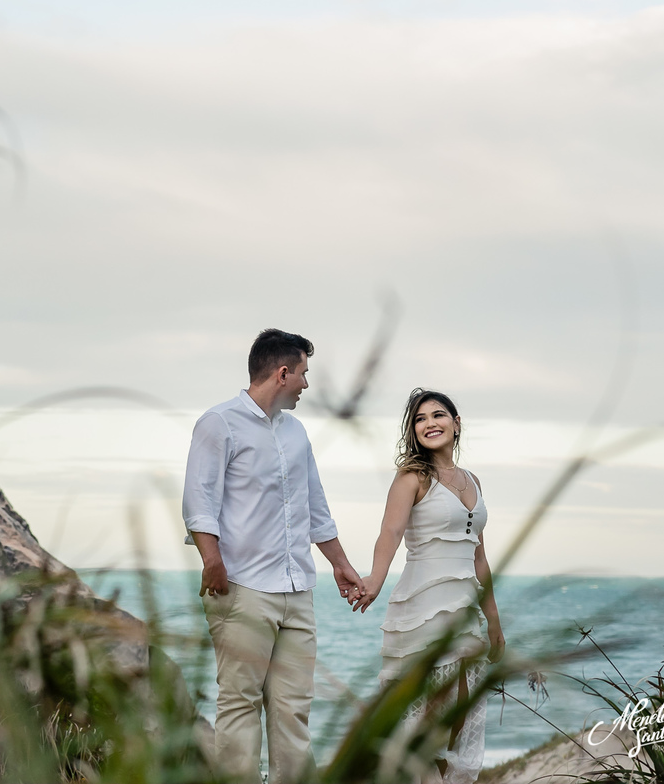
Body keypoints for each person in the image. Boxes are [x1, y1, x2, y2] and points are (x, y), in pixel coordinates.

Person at [182, 328, 365, 784]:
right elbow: (198, 501)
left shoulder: (297, 432)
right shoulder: (218, 423)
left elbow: (315, 506)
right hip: (241, 587)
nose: (306, 384)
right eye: (303, 374)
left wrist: (340, 564)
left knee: (293, 709)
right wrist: (212, 561)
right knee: (240, 704)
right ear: (282, 373)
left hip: (297, 590)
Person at [354, 388, 506, 784]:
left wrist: (494, 624)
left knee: (460, 714)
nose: (430, 424)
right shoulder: (412, 478)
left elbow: (479, 557)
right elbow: (389, 534)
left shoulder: (474, 480)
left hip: (464, 613)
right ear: (413, 430)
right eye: (420, 419)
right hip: (421, 609)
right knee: (426, 719)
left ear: (457, 424)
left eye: (438, 415)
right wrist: (373, 580)